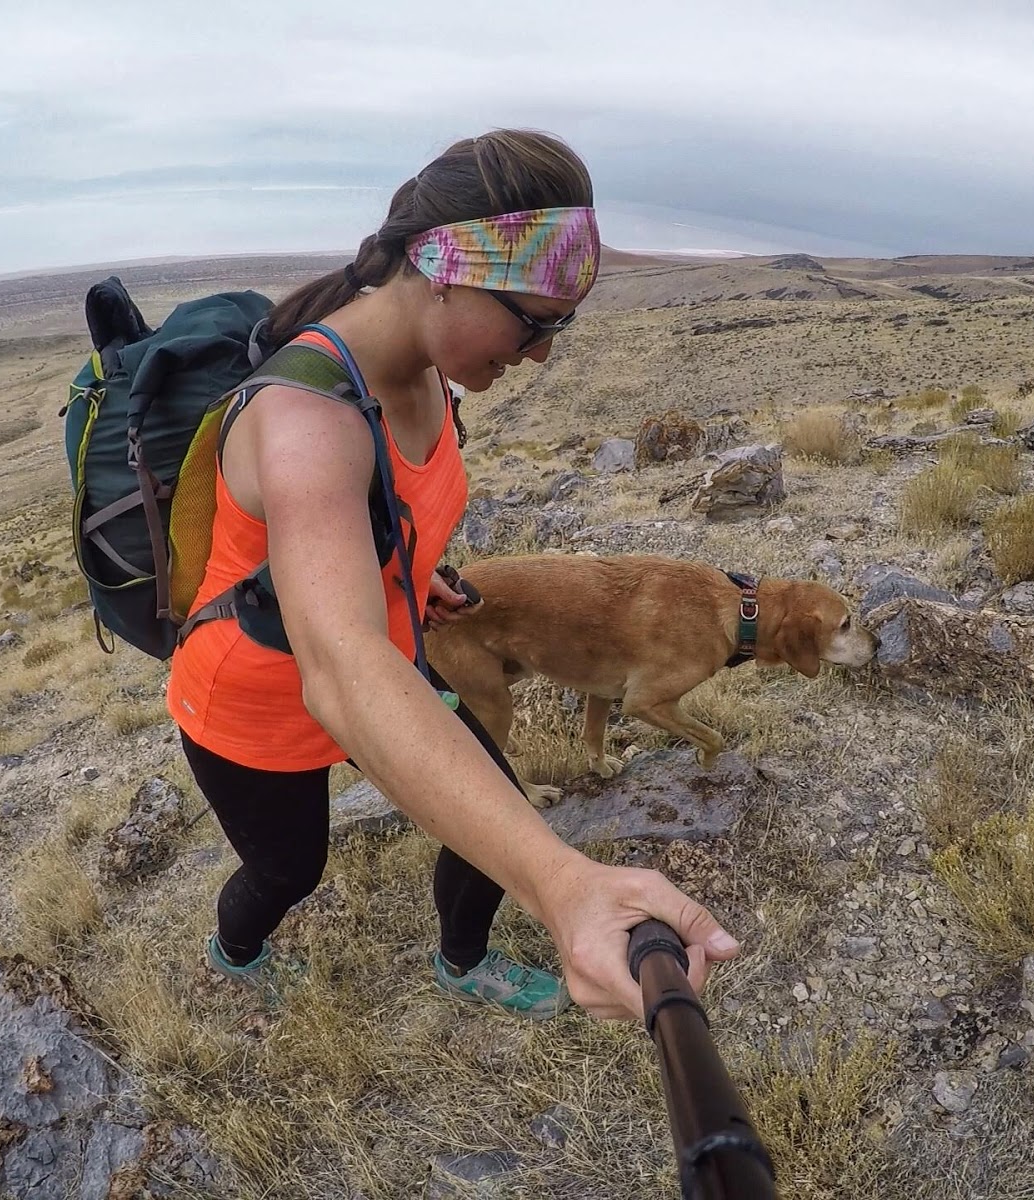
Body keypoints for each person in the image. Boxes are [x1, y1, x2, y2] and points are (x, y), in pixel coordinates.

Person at [165, 129, 737, 1022]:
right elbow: (345, 671)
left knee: (489, 803)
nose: (542, 353)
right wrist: (562, 886)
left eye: (562, 325)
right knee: (290, 866)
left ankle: (464, 961)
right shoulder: (309, 421)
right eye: (533, 320)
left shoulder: (428, 373)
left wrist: (409, 573)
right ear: (443, 265)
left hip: (378, 657)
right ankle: (235, 950)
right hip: (257, 699)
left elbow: (374, 531)